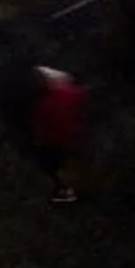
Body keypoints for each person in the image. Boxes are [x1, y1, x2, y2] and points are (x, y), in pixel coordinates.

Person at [32, 65, 86, 203]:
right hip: (70, 138)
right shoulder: (75, 94)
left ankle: (67, 192)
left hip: (59, 139)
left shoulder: (49, 101)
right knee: (66, 165)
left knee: (59, 166)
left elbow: (41, 121)